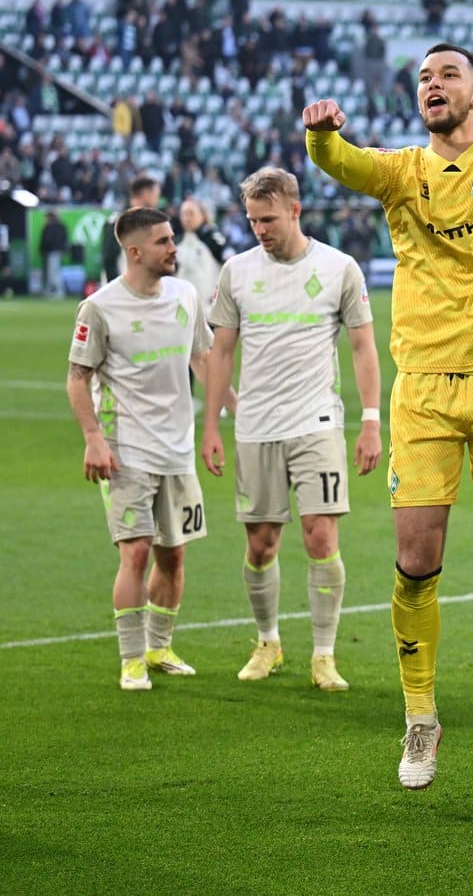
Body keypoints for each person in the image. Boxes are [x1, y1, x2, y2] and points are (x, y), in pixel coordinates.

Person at [302, 0, 473, 791]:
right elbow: (337, 163)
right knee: (416, 562)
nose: (432, 85)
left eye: (447, 74)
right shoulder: (400, 172)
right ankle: (421, 720)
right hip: (422, 390)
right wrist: (318, 136)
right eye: (423, 78)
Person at [200, 167, 383, 693]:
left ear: (296, 211)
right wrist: (211, 424)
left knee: (321, 535)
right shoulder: (236, 271)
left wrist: (370, 422)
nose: (261, 229)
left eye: (270, 219)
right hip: (256, 425)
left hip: (316, 422)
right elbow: (222, 353)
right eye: (254, 220)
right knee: (261, 543)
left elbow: (363, 347)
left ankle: (324, 654)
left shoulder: (339, 267)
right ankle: (268, 641)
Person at [66, 207, 218, 690]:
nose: (174, 248)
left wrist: (221, 415)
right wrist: (93, 438)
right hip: (125, 449)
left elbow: (201, 357)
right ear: (134, 252)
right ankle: (131, 658)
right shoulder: (100, 307)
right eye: (163, 241)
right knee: (134, 553)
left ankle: (159, 646)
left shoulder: (185, 295)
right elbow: (77, 377)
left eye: (172, 238)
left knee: (173, 557)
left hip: (178, 448)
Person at [100, 174, 160, 284]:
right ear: (145, 194)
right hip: (122, 291)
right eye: (156, 195)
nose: (158, 199)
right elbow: (109, 260)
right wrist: (116, 289)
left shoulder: (153, 223)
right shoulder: (118, 222)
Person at [175, 198, 231, 313]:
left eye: (191, 214)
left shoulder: (212, 237)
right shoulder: (177, 242)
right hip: (184, 309)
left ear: (202, 215)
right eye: (184, 214)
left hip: (209, 309)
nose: (187, 218)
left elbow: (230, 259)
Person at [39, 208, 68, 298]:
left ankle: (59, 291)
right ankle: (51, 291)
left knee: (54, 273)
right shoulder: (61, 226)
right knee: (53, 272)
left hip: (52, 252)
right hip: (55, 252)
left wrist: (43, 250)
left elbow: (47, 240)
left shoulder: (51, 227)